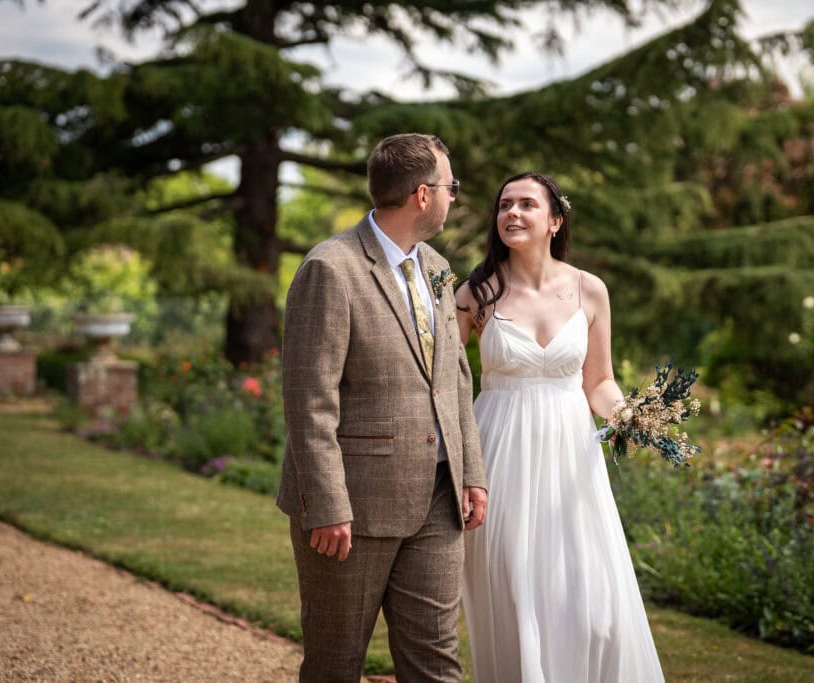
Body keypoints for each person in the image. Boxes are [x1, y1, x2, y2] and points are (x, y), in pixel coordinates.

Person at [277, 133, 488, 683]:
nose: (454, 198)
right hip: (352, 509)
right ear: (423, 195)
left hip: (439, 503)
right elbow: (308, 399)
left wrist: (471, 472)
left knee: (437, 664)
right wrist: (326, 502)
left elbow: (455, 379)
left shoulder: (436, 266)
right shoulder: (331, 268)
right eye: (450, 187)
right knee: (335, 663)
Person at [456, 172, 665, 682]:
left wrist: (632, 417)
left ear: (554, 221)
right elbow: (443, 377)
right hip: (499, 452)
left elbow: (599, 381)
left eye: (527, 204)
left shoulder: (589, 289)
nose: (512, 213)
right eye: (505, 205)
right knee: (515, 595)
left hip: (572, 459)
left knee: (594, 605)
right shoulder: (476, 291)